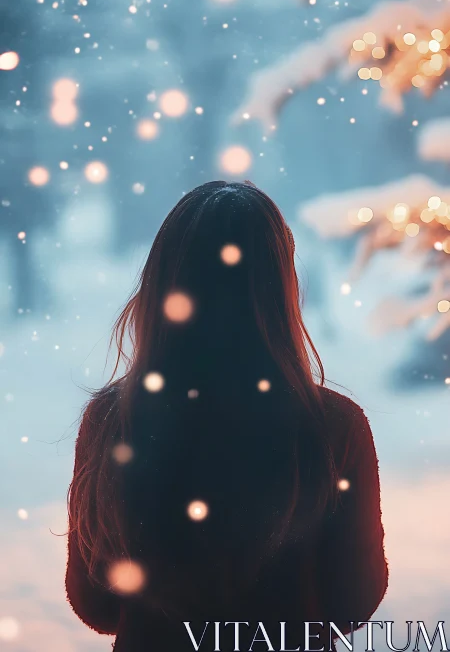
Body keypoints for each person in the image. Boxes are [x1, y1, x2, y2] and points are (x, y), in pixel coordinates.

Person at [65, 180, 389, 652]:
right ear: (279, 290)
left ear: (160, 287)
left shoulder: (113, 420)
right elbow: (354, 600)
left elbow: (94, 602)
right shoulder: (334, 426)